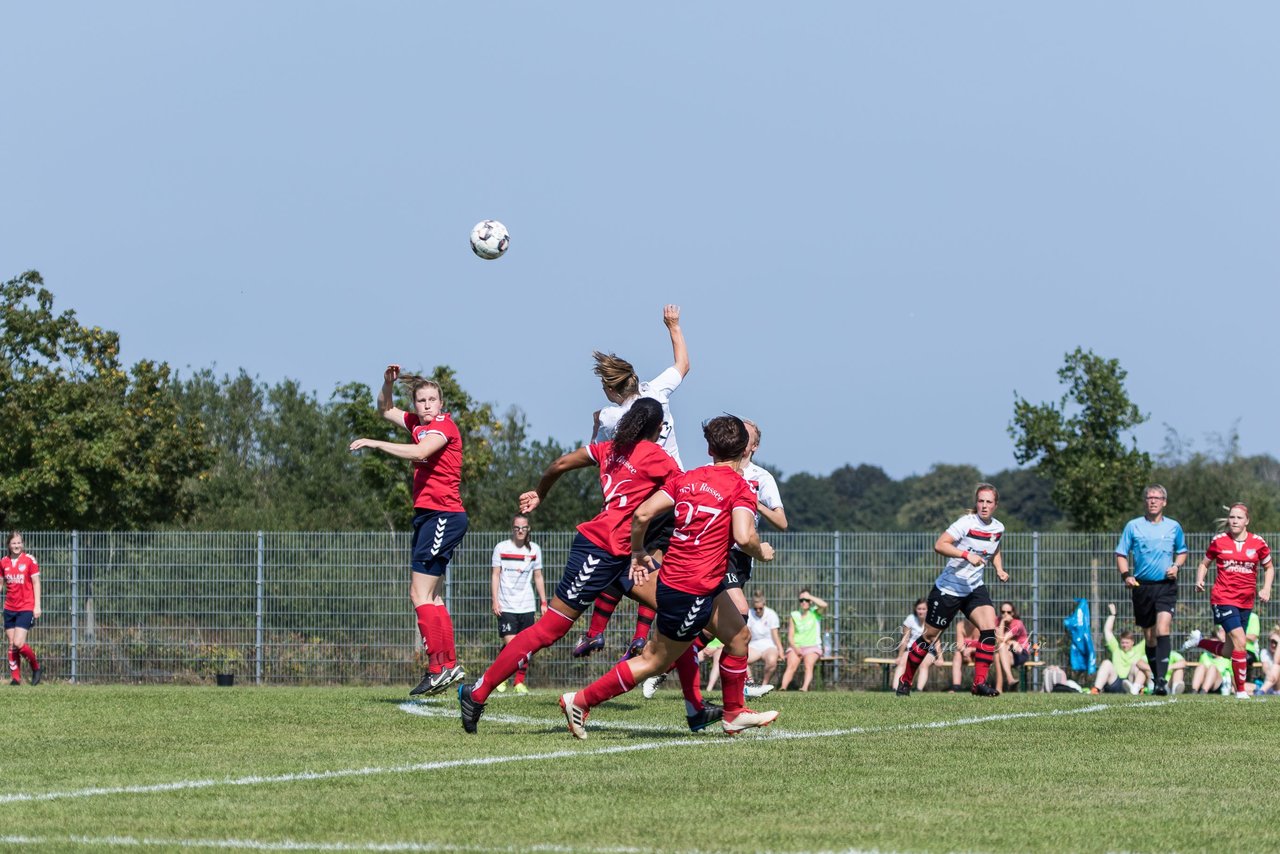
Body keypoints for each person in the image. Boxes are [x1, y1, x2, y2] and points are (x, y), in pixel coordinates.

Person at [459, 399, 717, 734]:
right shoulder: (656, 457)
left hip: (625, 556)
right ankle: (476, 693)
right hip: (599, 550)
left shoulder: (607, 449)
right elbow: (687, 490)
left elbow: (561, 462)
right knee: (550, 629)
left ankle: (695, 710)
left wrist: (540, 493)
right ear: (658, 429)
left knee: (677, 615)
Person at [558, 415, 779, 739]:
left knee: (739, 636)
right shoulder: (739, 487)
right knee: (653, 661)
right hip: (691, 588)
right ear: (745, 449)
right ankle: (579, 700)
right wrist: (762, 552)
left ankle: (733, 713)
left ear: (708, 448)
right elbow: (745, 538)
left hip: (688, 579)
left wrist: (637, 552)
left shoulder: (687, 479)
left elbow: (643, 514)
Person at [573, 304, 690, 660]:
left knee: (623, 564)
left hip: (638, 501)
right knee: (653, 567)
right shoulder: (657, 391)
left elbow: (594, 451)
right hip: (674, 495)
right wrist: (673, 325)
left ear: (611, 390)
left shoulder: (612, 415)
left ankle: (599, 633)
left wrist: (595, 424)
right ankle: (639, 638)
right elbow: (683, 364)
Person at [350, 365, 469, 697]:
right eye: (421, 400)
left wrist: (374, 443)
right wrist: (386, 384)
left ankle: (436, 669)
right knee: (432, 595)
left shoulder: (444, 426)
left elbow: (419, 452)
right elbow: (385, 409)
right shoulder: (417, 423)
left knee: (418, 594)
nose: (427, 405)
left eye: (432, 399)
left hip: (443, 515)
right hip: (431, 516)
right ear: (416, 404)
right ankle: (448, 665)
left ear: (441, 403)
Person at [896, 483, 1009, 697]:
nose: (984, 506)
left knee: (988, 630)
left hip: (973, 588)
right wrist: (966, 555)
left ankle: (978, 685)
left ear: (995, 505)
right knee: (929, 637)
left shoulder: (998, 528)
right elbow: (940, 545)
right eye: (981, 501)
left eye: (989, 502)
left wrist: (999, 569)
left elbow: (994, 548)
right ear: (976, 503)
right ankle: (905, 680)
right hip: (948, 590)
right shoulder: (966, 523)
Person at [1183, 502, 1274, 699]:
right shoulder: (1219, 541)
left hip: (1246, 602)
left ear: (1247, 521)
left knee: (1228, 650)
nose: (1234, 521)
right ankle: (1240, 691)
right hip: (1223, 598)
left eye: (1239, 518)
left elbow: (1269, 568)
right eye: (1232, 517)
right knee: (1241, 641)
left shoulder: (1258, 543)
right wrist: (1200, 579)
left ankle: (1199, 641)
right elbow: (1204, 564)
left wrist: (1266, 588)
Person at [1114, 485, 1187, 696]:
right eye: (1149, 498)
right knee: (1150, 636)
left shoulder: (1174, 526)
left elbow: (1182, 551)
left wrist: (1176, 566)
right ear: (1145, 501)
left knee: (1163, 628)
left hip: (1166, 585)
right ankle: (1156, 678)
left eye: (1157, 498)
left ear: (1164, 502)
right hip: (1142, 587)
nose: (1153, 501)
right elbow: (1121, 553)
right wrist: (1126, 575)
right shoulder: (1133, 526)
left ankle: (1163, 681)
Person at [489, 515, 547, 695]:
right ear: (512, 529)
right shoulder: (501, 547)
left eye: (524, 528)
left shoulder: (534, 550)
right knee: (512, 644)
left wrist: (543, 602)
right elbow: (495, 575)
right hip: (506, 605)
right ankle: (501, 677)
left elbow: (538, 576)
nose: (520, 531)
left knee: (526, 647)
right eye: (517, 528)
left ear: (528, 529)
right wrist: (495, 600)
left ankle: (519, 681)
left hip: (527, 606)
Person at [2, 532, 42, 686]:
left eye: (19, 543)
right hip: (9, 608)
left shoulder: (29, 560)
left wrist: (37, 605)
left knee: (19, 643)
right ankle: (16, 679)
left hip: (25, 607)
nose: (17, 546)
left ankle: (36, 667)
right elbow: (1, 584)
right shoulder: (3, 562)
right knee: (12, 643)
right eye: (13, 543)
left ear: (22, 544)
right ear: (9, 545)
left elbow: (36, 583)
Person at [1090, 603, 1150, 694]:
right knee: (1106, 663)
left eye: (1127, 643)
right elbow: (1107, 631)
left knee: (1137, 664)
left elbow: (1149, 636)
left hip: (1131, 681)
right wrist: (1113, 615)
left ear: (1132, 642)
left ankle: (1138, 689)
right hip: (1116, 681)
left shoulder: (1139, 649)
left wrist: (1147, 614)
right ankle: (1096, 690)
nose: (1124, 645)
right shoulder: (1116, 648)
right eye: (1122, 642)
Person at [779, 589, 829, 692]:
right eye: (801, 600)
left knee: (808, 664)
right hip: (796, 646)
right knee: (791, 665)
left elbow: (824, 605)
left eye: (806, 600)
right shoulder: (794, 615)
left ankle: (804, 688)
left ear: (810, 601)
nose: (804, 602)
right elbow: (790, 636)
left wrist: (810, 596)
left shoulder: (815, 613)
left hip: (813, 646)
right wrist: (796, 649)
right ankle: (783, 688)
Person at [893, 598, 936, 692]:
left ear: (928, 609)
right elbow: (905, 639)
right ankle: (896, 688)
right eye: (919, 609)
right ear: (915, 609)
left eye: (924, 609)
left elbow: (937, 640)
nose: (921, 611)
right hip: (911, 648)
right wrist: (899, 656)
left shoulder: (933, 620)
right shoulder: (910, 619)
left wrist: (940, 657)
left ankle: (918, 690)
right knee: (903, 662)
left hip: (929, 650)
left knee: (923, 664)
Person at [745, 588, 784, 688]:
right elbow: (747, 633)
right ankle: (751, 685)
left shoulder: (771, 614)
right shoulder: (749, 613)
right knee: (741, 659)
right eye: (755, 608)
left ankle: (763, 685)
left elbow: (775, 635)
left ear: (764, 604)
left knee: (772, 661)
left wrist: (780, 650)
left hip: (769, 646)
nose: (757, 611)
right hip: (754, 645)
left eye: (760, 608)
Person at [993, 601, 1031, 692]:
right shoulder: (997, 621)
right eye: (1003, 612)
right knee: (998, 654)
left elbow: (1002, 639)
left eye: (1008, 612)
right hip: (1006, 652)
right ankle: (1008, 681)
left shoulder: (1017, 623)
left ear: (1013, 613)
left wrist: (1009, 642)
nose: (1005, 614)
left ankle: (1001, 686)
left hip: (1021, 652)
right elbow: (999, 641)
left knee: (999, 652)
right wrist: (1002, 622)